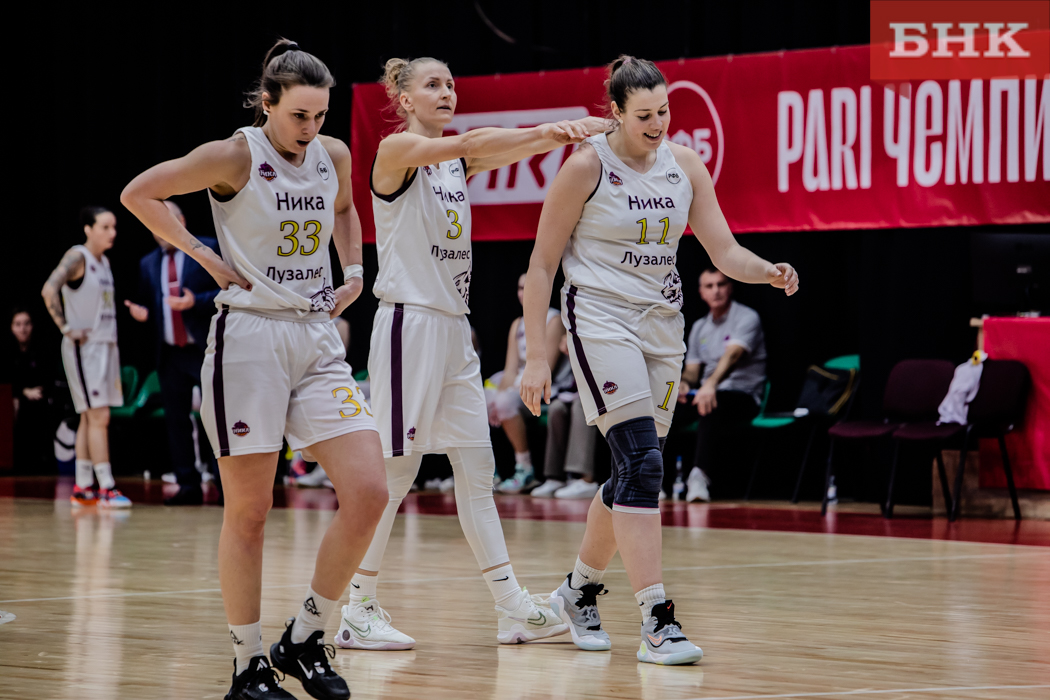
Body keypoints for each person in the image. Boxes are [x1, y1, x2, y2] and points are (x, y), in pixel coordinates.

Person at [121, 39, 387, 700]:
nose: (311, 128)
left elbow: (346, 209)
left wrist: (354, 272)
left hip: (315, 337)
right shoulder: (235, 156)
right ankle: (247, 665)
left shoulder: (332, 153)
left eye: (320, 115)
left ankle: (305, 637)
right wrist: (204, 257)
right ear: (267, 103)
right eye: (299, 115)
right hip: (249, 340)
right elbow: (139, 193)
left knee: (369, 492)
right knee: (250, 511)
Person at [520, 55, 798, 666]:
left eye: (664, 111)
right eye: (643, 114)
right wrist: (537, 357)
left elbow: (724, 250)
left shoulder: (685, 165)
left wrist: (768, 271)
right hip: (600, 319)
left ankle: (577, 592)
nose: (657, 124)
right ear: (616, 112)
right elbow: (541, 266)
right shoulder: (586, 166)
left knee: (632, 470)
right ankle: (656, 619)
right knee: (645, 463)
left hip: (662, 326)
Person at [333, 56, 605, 653]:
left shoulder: (453, 163)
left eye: (451, 84)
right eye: (433, 84)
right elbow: (477, 142)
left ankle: (512, 609)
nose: (447, 92)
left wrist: (552, 138)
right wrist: (552, 128)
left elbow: (499, 150)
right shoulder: (396, 151)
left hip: (455, 330)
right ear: (404, 99)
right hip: (408, 324)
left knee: (478, 470)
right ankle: (358, 607)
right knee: (394, 474)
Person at [125, 201, 223, 506]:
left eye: (164, 221)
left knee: (215, 419)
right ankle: (187, 485)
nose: (158, 230)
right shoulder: (148, 263)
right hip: (169, 354)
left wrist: (196, 301)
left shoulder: (208, 248)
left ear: (181, 221)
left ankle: (224, 486)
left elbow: (231, 290)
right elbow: (150, 303)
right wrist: (143, 312)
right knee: (176, 421)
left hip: (204, 348)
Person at [41, 206, 132, 509]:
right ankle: (107, 487)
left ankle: (82, 486)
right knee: (99, 416)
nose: (112, 233)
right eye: (105, 227)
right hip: (85, 348)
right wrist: (66, 327)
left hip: (105, 345)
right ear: (88, 229)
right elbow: (48, 290)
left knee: (88, 416)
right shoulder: (77, 257)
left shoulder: (103, 262)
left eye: (114, 227)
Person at [674, 268, 767, 502]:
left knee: (711, 402)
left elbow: (732, 356)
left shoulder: (746, 317)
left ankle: (699, 477)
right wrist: (684, 383)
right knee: (666, 408)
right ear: (701, 292)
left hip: (743, 395)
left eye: (721, 284)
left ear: (730, 287)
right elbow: (693, 370)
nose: (716, 291)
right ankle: (656, 479)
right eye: (709, 286)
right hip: (707, 392)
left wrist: (710, 385)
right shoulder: (699, 327)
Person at [491, 273, 561, 493]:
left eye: (528, 288)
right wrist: (497, 398)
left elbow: (547, 369)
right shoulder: (517, 324)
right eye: (520, 288)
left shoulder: (554, 320)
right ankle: (488, 471)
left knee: (504, 403)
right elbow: (510, 369)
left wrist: (504, 399)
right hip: (518, 383)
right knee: (482, 399)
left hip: (544, 387)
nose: (524, 293)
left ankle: (525, 468)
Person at [530, 326, 600, 499]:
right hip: (575, 388)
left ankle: (584, 478)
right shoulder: (571, 326)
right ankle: (555, 477)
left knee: (581, 406)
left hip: (602, 389)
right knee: (556, 408)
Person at [9, 308, 56, 473]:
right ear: (11, 327)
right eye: (18, 324)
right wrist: (23, 392)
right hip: (16, 401)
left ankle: (44, 464)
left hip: (39, 400)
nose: (22, 329)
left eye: (26, 324)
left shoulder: (42, 350)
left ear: (32, 326)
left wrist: (36, 392)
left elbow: (49, 378)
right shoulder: (7, 352)